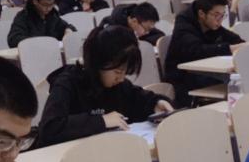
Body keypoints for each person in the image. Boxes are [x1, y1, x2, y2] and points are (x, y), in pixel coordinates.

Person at [36, 25, 172, 148]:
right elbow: (50, 128)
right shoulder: (67, 83)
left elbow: (140, 99)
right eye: (117, 72)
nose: (121, 78)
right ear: (98, 64)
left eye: (125, 72)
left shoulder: (119, 85)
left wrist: (156, 103)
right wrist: (101, 121)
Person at [163, 0, 245, 105]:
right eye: (216, 15)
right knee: (235, 81)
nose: (220, 20)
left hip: (204, 72)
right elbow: (197, 50)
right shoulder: (184, 24)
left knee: (241, 77)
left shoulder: (211, 24)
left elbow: (231, 37)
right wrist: (230, 48)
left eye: (222, 15)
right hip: (183, 77)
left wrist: (245, 45)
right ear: (201, 14)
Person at [7, 0, 73, 48]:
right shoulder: (24, 16)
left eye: (51, 5)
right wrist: (38, 42)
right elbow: (13, 39)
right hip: (31, 52)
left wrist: (68, 30)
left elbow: (67, 26)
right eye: (45, 5)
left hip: (52, 52)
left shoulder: (53, 15)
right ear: (35, 1)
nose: (48, 8)